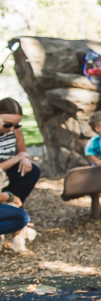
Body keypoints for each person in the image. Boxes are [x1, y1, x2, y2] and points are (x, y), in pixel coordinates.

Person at [0, 98, 40, 253]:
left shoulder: (13, 130)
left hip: (6, 174)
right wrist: (9, 196)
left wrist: (24, 158)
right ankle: (11, 207)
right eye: (7, 124)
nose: (12, 128)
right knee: (21, 217)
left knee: (32, 171)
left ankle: (12, 211)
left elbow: (22, 151)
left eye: (16, 125)